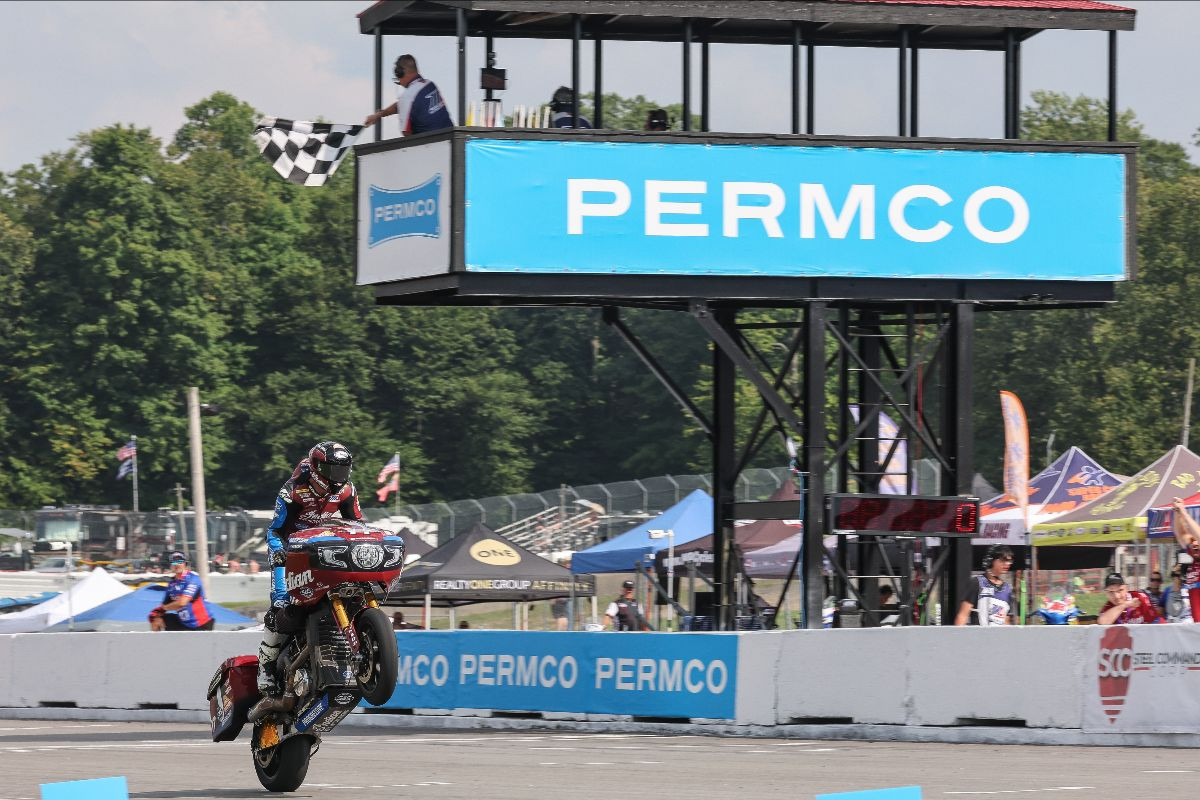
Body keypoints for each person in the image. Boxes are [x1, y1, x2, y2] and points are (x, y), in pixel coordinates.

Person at [255, 441, 364, 702]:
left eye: (342, 469)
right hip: (290, 551)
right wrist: (278, 551)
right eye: (332, 470)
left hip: (323, 549)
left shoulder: (348, 490)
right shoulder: (292, 491)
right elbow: (275, 530)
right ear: (316, 468)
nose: (338, 477)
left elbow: (356, 524)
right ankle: (266, 667)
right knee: (282, 605)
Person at [363, 54, 452, 137]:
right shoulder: (430, 84)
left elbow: (406, 132)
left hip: (431, 146)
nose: (400, 83)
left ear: (400, 73)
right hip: (451, 138)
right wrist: (379, 115)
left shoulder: (407, 97)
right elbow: (401, 105)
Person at [148, 552, 214, 631]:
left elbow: (182, 603)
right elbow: (162, 608)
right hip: (184, 624)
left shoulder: (193, 579)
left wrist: (164, 608)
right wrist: (154, 616)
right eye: (174, 562)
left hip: (202, 624)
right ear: (170, 565)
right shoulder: (171, 584)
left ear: (185, 564)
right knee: (157, 619)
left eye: (180, 562)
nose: (177, 565)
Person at [954, 544, 1014, 626]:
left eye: (1009, 561)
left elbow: (1006, 621)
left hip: (999, 637)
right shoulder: (977, 583)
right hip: (979, 637)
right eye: (1003, 560)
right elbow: (962, 616)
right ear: (991, 560)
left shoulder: (1007, 589)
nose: (1007, 564)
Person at [1170, 496, 1200, 621]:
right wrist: (1177, 512)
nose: (1195, 544)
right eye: (1193, 542)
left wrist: (1184, 512)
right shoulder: (1192, 557)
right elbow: (1181, 534)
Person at [1098, 572, 1162, 625]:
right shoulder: (1107, 607)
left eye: (1120, 590)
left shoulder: (1139, 597)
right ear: (1106, 593)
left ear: (1126, 589)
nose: (1116, 596)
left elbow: (1156, 621)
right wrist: (1125, 605)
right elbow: (1102, 622)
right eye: (1111, 592)